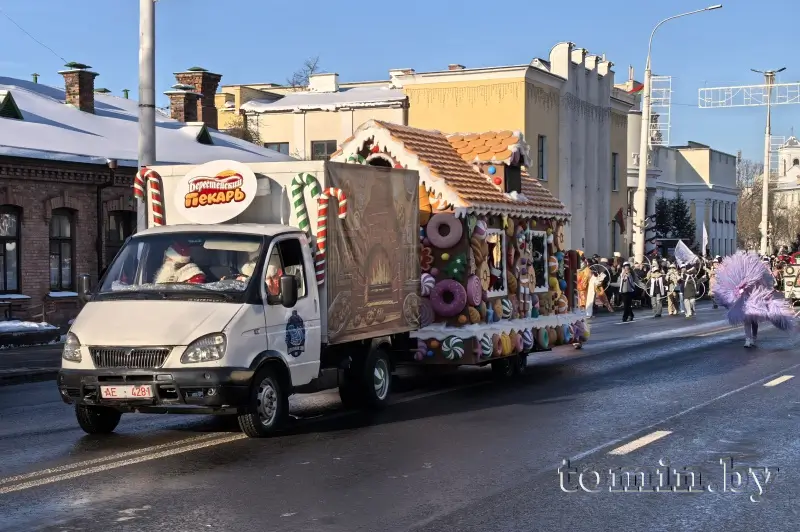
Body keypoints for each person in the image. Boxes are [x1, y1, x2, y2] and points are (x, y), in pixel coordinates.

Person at [714, 251, 797, 348]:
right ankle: (748, 339)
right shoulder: (743, 275)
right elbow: (737, 286)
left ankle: (753, 338)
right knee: (747, 320)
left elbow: (765, 286)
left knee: (754, 321)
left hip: (756, 300)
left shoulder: (760, 276)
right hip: (745, 300)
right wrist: (739, 290)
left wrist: (765, 294)